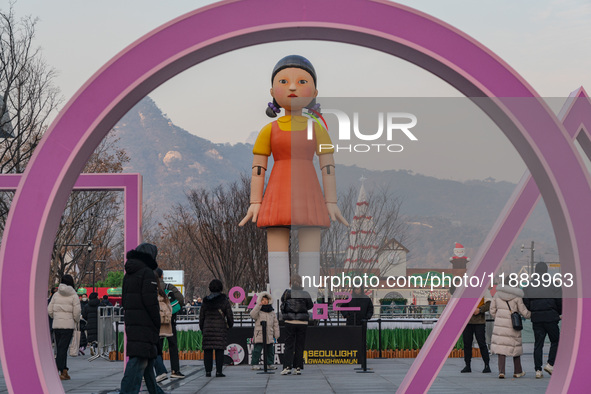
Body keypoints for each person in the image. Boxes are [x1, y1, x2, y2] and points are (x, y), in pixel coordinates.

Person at [239, 55, 348, 301]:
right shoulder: (268, 130)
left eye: (301, 81)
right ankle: (277, 304)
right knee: (276, 244)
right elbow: (258, 168)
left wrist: (331, 201)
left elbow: (328, 166)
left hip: (308, 190)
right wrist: (255, 202)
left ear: (315, 91)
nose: (291, 87)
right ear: (272, 90)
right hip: (278, 190)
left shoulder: (318, 129)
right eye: (284, 81)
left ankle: (308, 304)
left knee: (311, 246)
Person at [119, 243, 164, 394]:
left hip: (133, 322)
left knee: (146, 361)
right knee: (138, 362)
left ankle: (156, 391)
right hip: (145, 324)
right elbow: (151, 302)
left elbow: (124, 300)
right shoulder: (147, 273)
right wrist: (157, 322)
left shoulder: (129, 274)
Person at [523, 262, 562, 378]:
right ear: (546, 271)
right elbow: (560, 301)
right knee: (555, 341)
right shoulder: (554, 284)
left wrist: (533, 310)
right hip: (551, 317)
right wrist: (558, 312)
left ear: (535, 270)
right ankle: (550, 364)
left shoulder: (529, 285)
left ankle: (538, 370)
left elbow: (526, 301)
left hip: (537, 318)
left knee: (538, 344)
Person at [489, 284, 531, 379]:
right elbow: (523, 311)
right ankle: (517, 371)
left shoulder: (497, 295)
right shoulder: (517, 296)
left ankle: (501, 372)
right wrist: (531, 314)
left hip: (500, 325)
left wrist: (499, 318)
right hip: (513, 324)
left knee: (501, 348)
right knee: (515, 348)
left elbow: (492, 310)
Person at [154, 268, 185, 381]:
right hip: (169, 320)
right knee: (173, 345)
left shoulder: (150, 287)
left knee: (157, 347)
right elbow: (181, 300)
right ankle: (175, 370)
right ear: (162, 276)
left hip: (155, 321)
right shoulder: (168, 287)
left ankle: (159, 371)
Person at [47, 274, 81, 380]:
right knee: (63, 349)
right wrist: (75, 320)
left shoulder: (56, 295)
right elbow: (77, 312)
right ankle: (57, 368)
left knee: (60, 348)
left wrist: (56, 316)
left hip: (57, 325)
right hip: (68, 325)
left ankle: (64, 370)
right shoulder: (73, 295)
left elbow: (49, 310)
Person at [199, 279, 234, 377]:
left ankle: (208, 371)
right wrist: (230, 325)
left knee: (207, 350)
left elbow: (201, 316)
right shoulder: (224, 301)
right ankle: (219, 371)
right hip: (220, 328)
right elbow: (229, 315)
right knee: (219, 350)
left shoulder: (205, 301)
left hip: (207, 328)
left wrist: (202, 328)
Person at [280, 275, 313, 375]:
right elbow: (310, 305)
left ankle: (287, 366)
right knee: (300, 345)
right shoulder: (305, 293)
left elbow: (283, 301)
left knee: (289, 345)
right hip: (302, 322)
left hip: (290, 321)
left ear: (291, 282)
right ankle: (298, 367)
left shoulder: (287, 293)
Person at [460, 289, 492, 374]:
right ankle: (467, 365)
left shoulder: (484, 290)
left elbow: (489, 304)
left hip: (479, 322)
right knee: (467, 344)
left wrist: (480, 310)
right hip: (466, 322)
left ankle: (487, 365)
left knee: (482, 343)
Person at [250, 292, 280, 370]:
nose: (264, 301)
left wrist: (276, 333)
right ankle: (254, 364)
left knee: (270, 350)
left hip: (269, 334)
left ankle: (270, 363)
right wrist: (258, 306)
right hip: (259, 333)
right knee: (257, 350)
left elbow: (275, 323)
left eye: (266, 299)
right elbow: (252, 315)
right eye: (262, 299)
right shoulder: (258, 310)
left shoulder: (272, 312)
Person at [155, 277, 173, 383]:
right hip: (165, 327)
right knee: (156, 349)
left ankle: (160, 371)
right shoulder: (163, 294)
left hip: (153, 327)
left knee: (153, 350)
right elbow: (171, 308)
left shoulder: (151, 294)